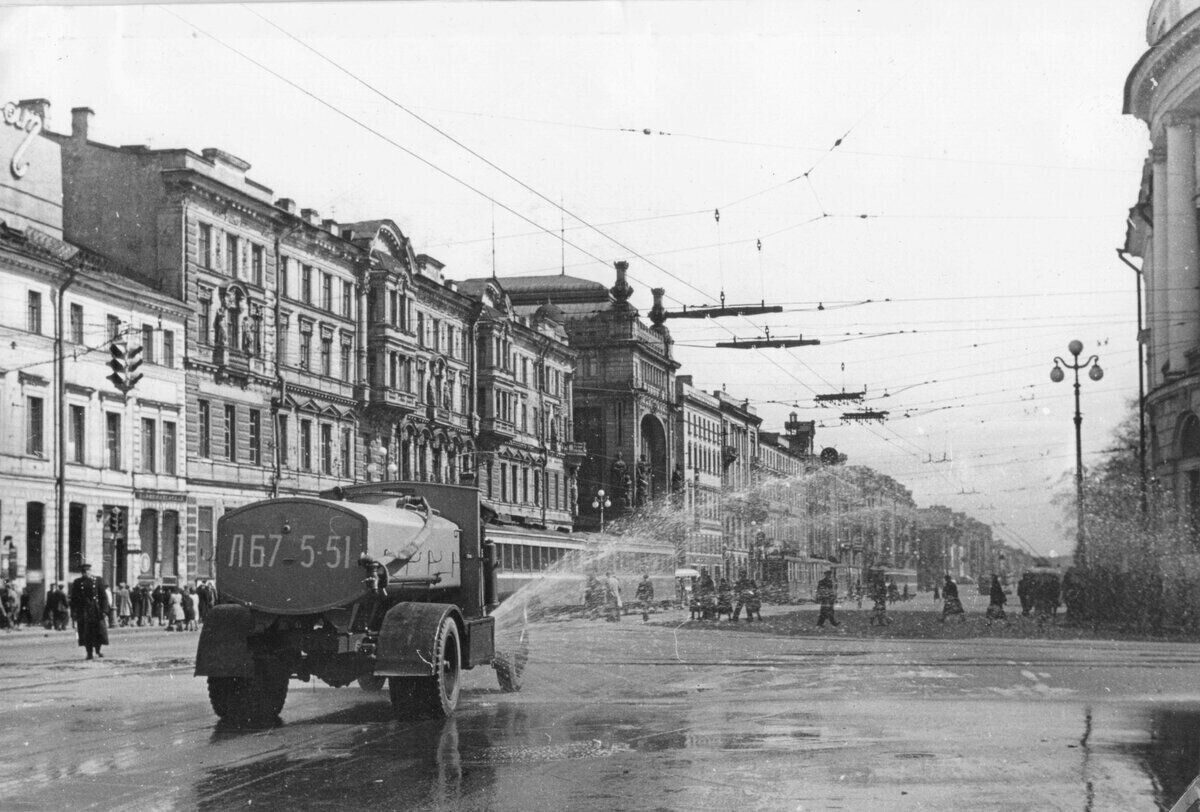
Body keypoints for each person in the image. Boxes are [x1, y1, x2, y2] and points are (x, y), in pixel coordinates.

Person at [69, 561, 110, 660]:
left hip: (96, 610)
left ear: (91, 571)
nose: (86, 573)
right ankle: (89, 652)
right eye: (84, 571)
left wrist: (104, 610)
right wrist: (73, 612)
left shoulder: (98, 580)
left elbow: (103, 596)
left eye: (87, 571)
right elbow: (73, 599)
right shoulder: (77, 582)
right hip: (84, 610)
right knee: (86, 632)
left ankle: (98, 650)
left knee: (99, 631)